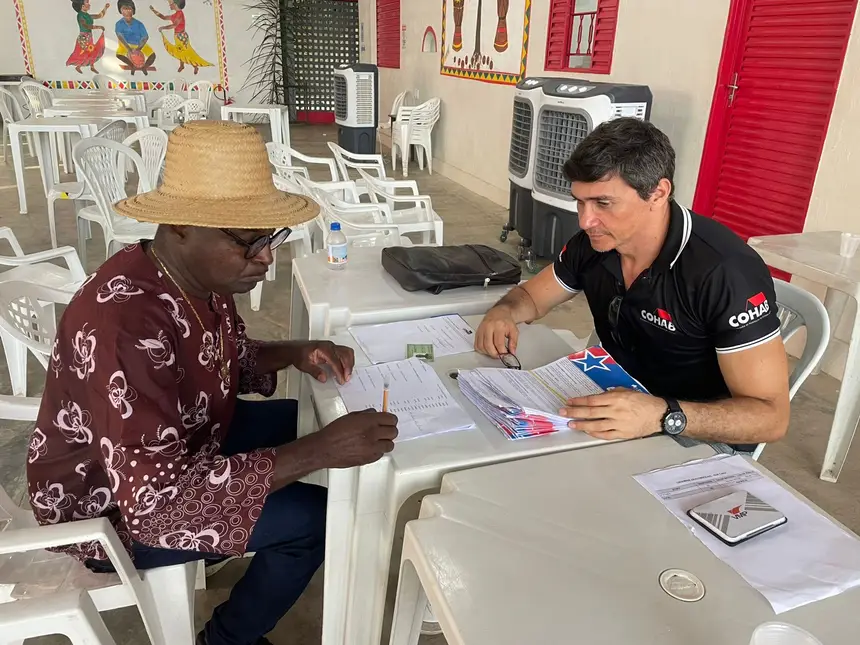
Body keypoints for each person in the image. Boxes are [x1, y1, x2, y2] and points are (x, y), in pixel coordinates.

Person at [26, 121, 399, 645]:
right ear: (180, 224)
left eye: (270, 239)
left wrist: (298, 353)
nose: (266, 257)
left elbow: (230, 356)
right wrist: (320, 452)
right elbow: (158, 504)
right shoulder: (123, 327)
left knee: (311, 421)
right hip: (112, 508)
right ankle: (225, 640)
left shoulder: (194, 277)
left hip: (191, 439)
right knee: (312, 518)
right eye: (250, 242)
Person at [475, 117, 790, 453]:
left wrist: (662, 415)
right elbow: (531, 297)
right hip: (611, 402)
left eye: (603, 203)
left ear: (657, 193)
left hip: (693, 435)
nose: (585, 220)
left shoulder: (724, 271)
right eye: (580, 202)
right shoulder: (595, 242)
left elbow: (770, 417)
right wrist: (505, 311)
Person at [150, 0, 213, 74]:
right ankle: (182, 65)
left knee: (186, 52)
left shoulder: (179, 14)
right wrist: (153, 10)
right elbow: (163, 17)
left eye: (171, 4)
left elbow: (174, 25)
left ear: (175, 5)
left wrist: (163, 28)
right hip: (177, 36)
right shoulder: (175, 15)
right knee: (179, 51)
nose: (170, 5)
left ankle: (195, 66)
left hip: (182, 37)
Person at [66, 1, 110, 74]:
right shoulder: (80, 15)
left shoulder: (87, 15)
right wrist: (98, 27)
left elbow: (99, 15)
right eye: (87, 3)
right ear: (82, 6)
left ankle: (91, 66)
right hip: (83, 37)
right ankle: (79, 66)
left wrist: (105, 8)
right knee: (84, 52)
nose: (89, 5)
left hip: (89, 36)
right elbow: (85, 25)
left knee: (91, 51)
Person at [115, 0, 156, 75]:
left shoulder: (139, 24)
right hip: (126, 44)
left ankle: (144, 67)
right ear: (120, 10)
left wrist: (138, 49)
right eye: (124, 8)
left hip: (139, 44)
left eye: (129, 8)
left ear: (133, 10)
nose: (127, 11)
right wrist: (128, 49)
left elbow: (145, 37)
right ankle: (132, 65)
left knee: (152, 55)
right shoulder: (119, 24)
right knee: (118, 54)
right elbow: (120, 36)